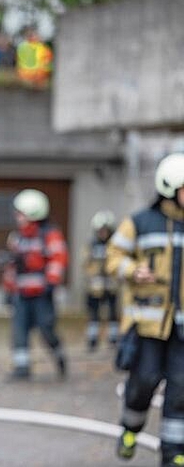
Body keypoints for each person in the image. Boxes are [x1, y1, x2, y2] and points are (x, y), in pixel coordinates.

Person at [106, 153, 184, 466]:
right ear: (169, 188)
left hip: (182, 330)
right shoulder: (140, 222)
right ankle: (130, 428)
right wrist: (132, 269)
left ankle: (174, 453)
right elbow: (113, 256)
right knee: (143, 383)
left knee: (181, 390)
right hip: (147, 325)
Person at [2, 189, 68, 380]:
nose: (17, 217)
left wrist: (51, 282)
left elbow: (58, 258)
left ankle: (59, 356)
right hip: (21, 295)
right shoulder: (17, 237)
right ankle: (22, 369)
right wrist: (8, 289)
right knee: (19, 331)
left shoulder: (49, 235)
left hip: (42, 294)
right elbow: (12, 267)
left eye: (20, 213)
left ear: (33, 212)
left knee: (46, 330)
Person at [82, 209, 119, 352]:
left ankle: (113, 337)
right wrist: (93, 272)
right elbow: (85, 263)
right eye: (100, 230)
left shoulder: (115, 245)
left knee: (112, 313)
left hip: (111, 285)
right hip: (95, 286)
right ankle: (92, 338)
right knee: (94, 313)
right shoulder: (91, 244)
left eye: (105, 230)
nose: (102, 233)